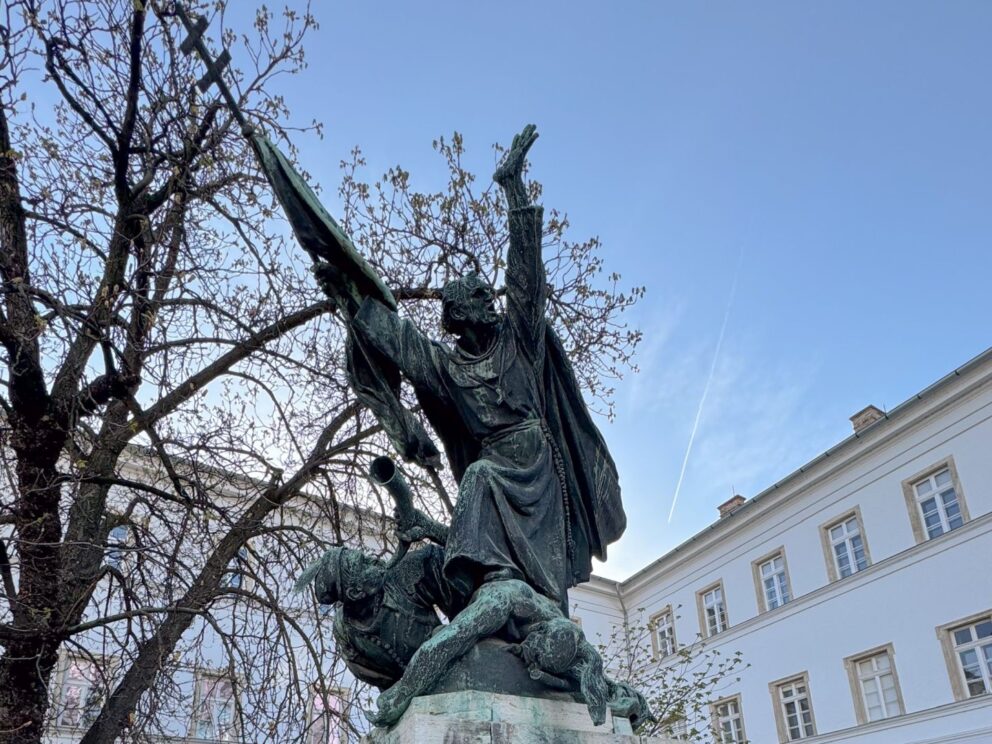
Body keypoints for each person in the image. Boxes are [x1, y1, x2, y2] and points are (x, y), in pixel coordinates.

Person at [314, 124, 625, 615]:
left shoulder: (520, 344)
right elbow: (401, 341)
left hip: (538, 469)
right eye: (479, 296)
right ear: (460, 314)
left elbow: (526, 281)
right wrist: (350, 298)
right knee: (479, 478)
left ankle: (539, 621)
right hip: (493, 468)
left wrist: (514, 190)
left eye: (488, 293)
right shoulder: (447, 367)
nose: (490, 299)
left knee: (543, 582)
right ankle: (486, 594)